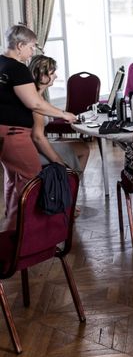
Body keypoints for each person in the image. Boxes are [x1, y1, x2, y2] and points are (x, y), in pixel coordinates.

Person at [0, 24, 76, 232]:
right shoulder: (17, 68)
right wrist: (63, 114)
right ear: (20, 45)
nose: (32, 52)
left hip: (4, 133)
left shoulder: (1, 63)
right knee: (31, 185)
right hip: (15, 135)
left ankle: (11, 231)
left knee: (13, 183)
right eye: (31, 47)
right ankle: (23, 238)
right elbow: (35, 103)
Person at [29, 55, 89, 173]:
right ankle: (70, 185)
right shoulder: (36, 101)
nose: (56, 76)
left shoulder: (35, 96)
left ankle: (70, 184)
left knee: (79, 145)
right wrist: (58, 160)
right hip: (33, 152)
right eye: (52, 73)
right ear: (42, 75)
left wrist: (65, 115)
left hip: (34, 146)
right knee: (84, 149)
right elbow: (37, 137)